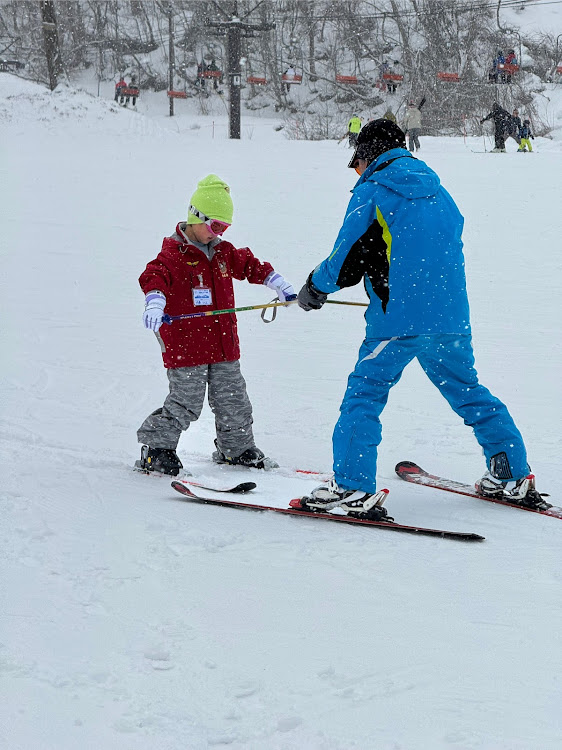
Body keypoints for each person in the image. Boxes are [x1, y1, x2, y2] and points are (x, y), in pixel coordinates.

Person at [295, 119, 544, 519]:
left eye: (356, 161)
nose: (355, 171)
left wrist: (315, 287)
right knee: (468, 391)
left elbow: (346, 260)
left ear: (368, 155)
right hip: (450, 321)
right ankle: (510, 472)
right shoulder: (441, 193)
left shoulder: (374, 191)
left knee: (365, 392)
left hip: (397, 323)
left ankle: (352, 486)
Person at [136, 174, 296, 476]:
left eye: (224, 228)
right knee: (186, 401)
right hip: (186, 347)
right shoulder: (174, 254)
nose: (218, 233)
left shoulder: (223, 253)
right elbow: (154, 274)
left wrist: (274, 280)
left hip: (224, 344)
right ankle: (157, 448)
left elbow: (248, 264)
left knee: (233, 398)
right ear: (195, 216)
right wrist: (155, 299)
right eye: (214, 226)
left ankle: (235, 450)